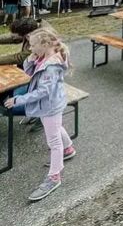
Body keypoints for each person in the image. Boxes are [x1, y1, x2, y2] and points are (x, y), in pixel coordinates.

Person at [3, 28, 74, 202]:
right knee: (56, 128)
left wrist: (18, 100)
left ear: (45, 44)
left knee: (53, 140)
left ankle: (54, 177)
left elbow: (43, 91)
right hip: (48, 105)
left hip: (49, 105)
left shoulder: (51, 66)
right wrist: (31, 59)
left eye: (33, 46)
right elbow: (28, 73)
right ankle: (69, 148)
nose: (31, 48)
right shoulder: (43, 57)